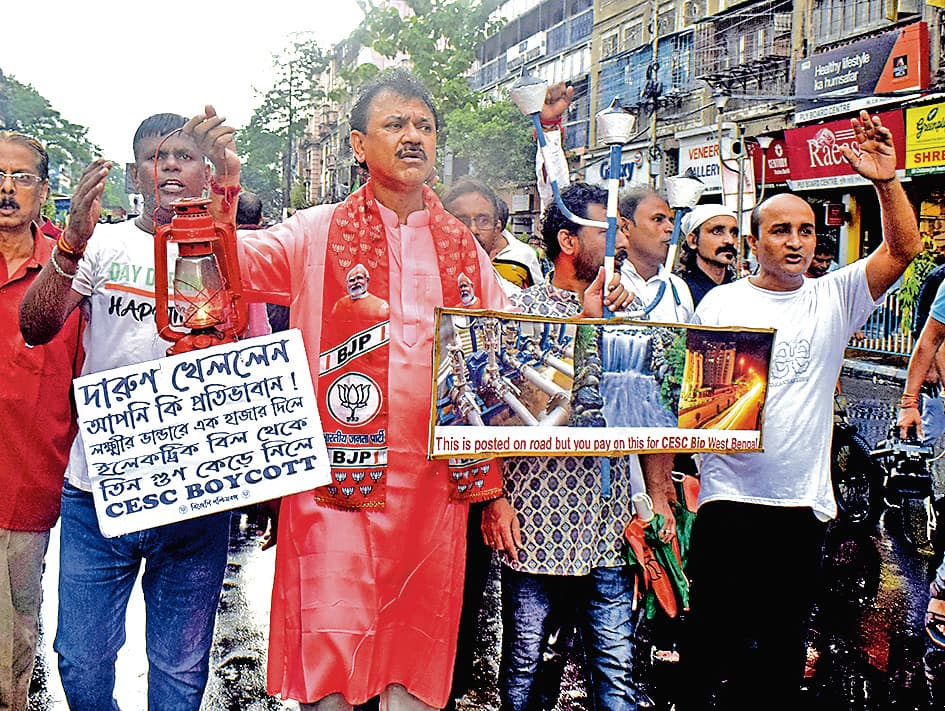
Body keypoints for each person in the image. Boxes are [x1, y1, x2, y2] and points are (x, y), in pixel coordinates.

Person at [185, 70, 517, 710]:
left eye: (424, 126)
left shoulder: (465, 252)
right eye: (396, 125)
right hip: (336, 483)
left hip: (433, 491)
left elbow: (497, 357)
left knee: (414, 652)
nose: (413, 137)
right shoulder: (314, 232)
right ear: (360, 145)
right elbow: (229, 265)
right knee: (333, 644)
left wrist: (582, 315)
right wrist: (220, 185)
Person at [679, 110, 921, 709]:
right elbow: (696, 410)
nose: (795, 241)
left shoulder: (834, 296)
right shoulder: (721, 307)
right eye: (780, 230)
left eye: (806, 231)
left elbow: (904, 248)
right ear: (755, 242)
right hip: (727, 502)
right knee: (710, 651)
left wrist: (886, 181)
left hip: (800, 508)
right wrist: (673, 487)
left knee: (783, 655)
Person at [19, 114, 234, 710]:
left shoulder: (231, 248)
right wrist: (70, 243)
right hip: (97, 492)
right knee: (81, 662)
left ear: (205, 169)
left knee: (181, 668)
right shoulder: (104, 244)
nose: (168, 166)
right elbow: (36, 327)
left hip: (199, 493)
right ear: (137, 174)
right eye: (153, 157)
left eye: (183, 156)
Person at [482, 181, 670, 711]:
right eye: (604, 232)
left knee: (616, 668)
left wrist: (659, 498)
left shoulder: (630, 313)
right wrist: (494, 499)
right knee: (526, 667)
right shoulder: (520, 312)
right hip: (534, 519)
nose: (618, 243)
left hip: (609, 524)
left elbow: (648, 413)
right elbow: (506, 411)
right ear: (568, 242)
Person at [0, 131, 83, 711]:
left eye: (21, 177)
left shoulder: (70, 271)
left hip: (24, 491)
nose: (6, 189)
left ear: (44, 192)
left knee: (9, 650)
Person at [443, 178, 544, 292]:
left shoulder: (512, 297)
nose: (473, 229)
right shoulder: (423, 281)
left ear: (497, 228)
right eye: (461, 221)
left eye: (484, 221)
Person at [617, 186, 695, 323]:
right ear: (625, 227)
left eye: (671, 221)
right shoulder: (608, 281)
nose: (670, 228)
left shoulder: (679, 287)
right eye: (658, 219)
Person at [676, 203, 739, 307]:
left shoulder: (740, 289)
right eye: (717, 231)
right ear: (693, 240)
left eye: (734, 233)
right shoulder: (680, 290)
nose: (730, 240)